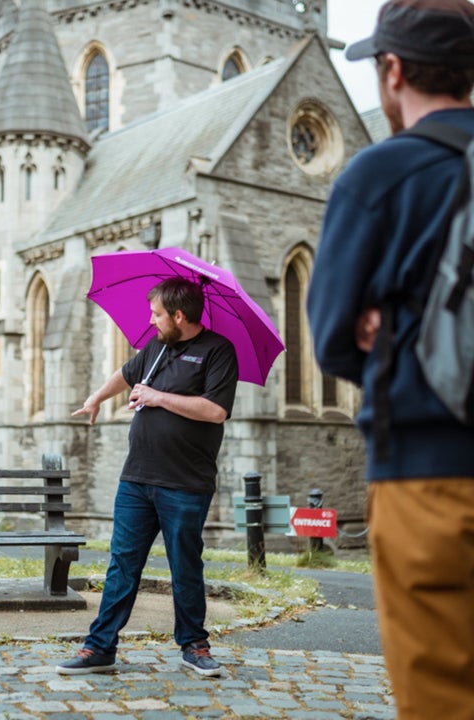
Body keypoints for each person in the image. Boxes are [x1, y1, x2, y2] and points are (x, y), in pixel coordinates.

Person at [306, 2, 474, 718]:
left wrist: (390, 331)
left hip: (428, 471)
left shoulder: (380, 174)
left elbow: (331, 336)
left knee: (442, 698)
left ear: (394, 71)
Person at [56, 277, 238, 677]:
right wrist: (97, 398)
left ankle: (194, 645)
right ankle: (99, 648)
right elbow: (125, 374)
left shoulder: (218, 351)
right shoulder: (155, 349)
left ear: (179, 315)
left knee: (185, 566)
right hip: (136, 480)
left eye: (157, 314)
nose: (151, 320)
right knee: (122, 565)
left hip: (186, 484)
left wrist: (158, 397)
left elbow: (215, 411)